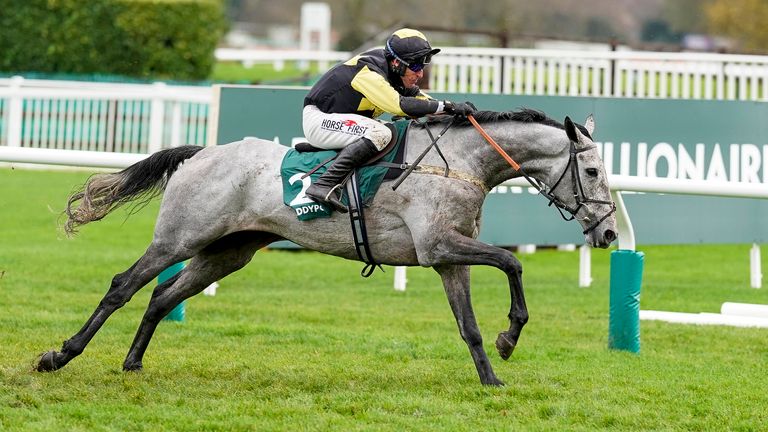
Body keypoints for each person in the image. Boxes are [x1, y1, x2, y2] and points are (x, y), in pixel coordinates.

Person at [302, 28, 477, 213]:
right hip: (319, 119)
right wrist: (447, 106)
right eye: (415, 67)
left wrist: (453, 111)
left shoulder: (394, 73)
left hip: (340, 120)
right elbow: (400, 106)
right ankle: (324, 184)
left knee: (393, 132)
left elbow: (422, 102)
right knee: (381, 133)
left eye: (422, 67)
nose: (420, 74)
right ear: (396, 62)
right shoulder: (369, 73)